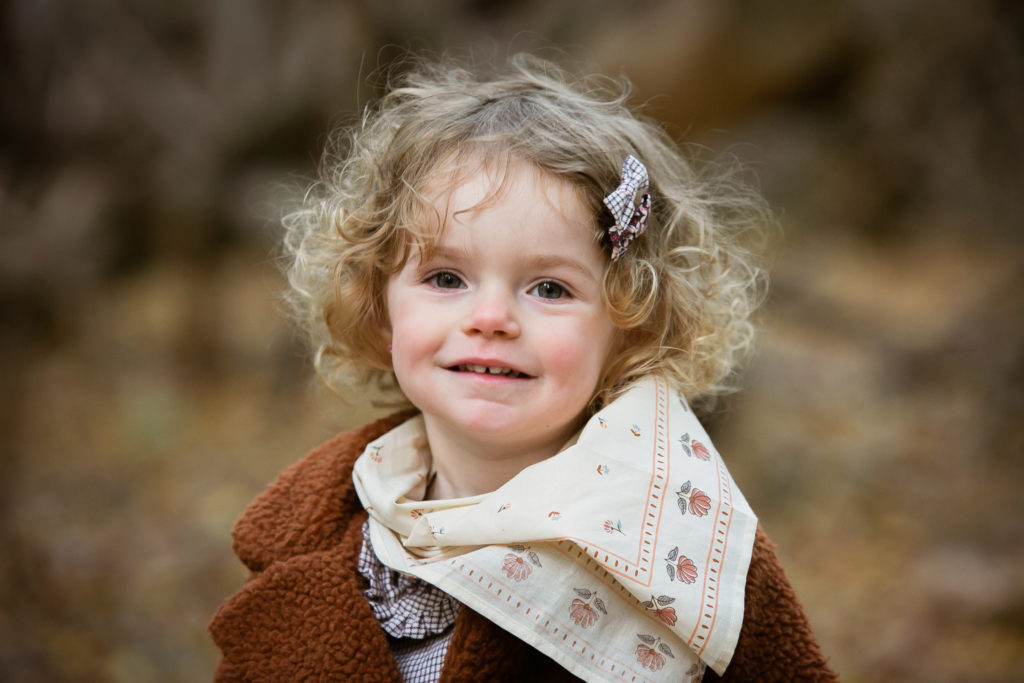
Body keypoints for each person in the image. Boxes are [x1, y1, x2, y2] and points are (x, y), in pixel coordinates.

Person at [209, 54, 836, 682]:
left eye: (549, 289)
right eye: (446, 278)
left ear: (631, 326)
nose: (491, 317)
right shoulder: (325, 531)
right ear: (379, 308)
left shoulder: (691, 549)